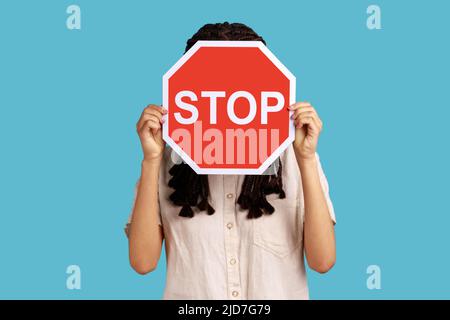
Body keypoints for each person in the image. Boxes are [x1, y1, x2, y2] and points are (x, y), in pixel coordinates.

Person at [125, 22, 336, 300]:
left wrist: (306, 159)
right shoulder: (169, 158)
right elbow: (143, 262)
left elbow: (322, 262)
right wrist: (151, 160)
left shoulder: (293, 155)